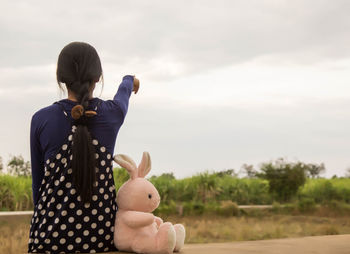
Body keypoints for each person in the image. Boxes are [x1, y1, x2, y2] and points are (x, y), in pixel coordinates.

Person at [28, 41, 139, 253]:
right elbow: (123, 95)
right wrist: (129, 79)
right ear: (97, 77)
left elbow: (38, 187)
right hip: (100, 239)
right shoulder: (111, 113)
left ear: (61, 78)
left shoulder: (41, 119)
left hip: (49, 239)